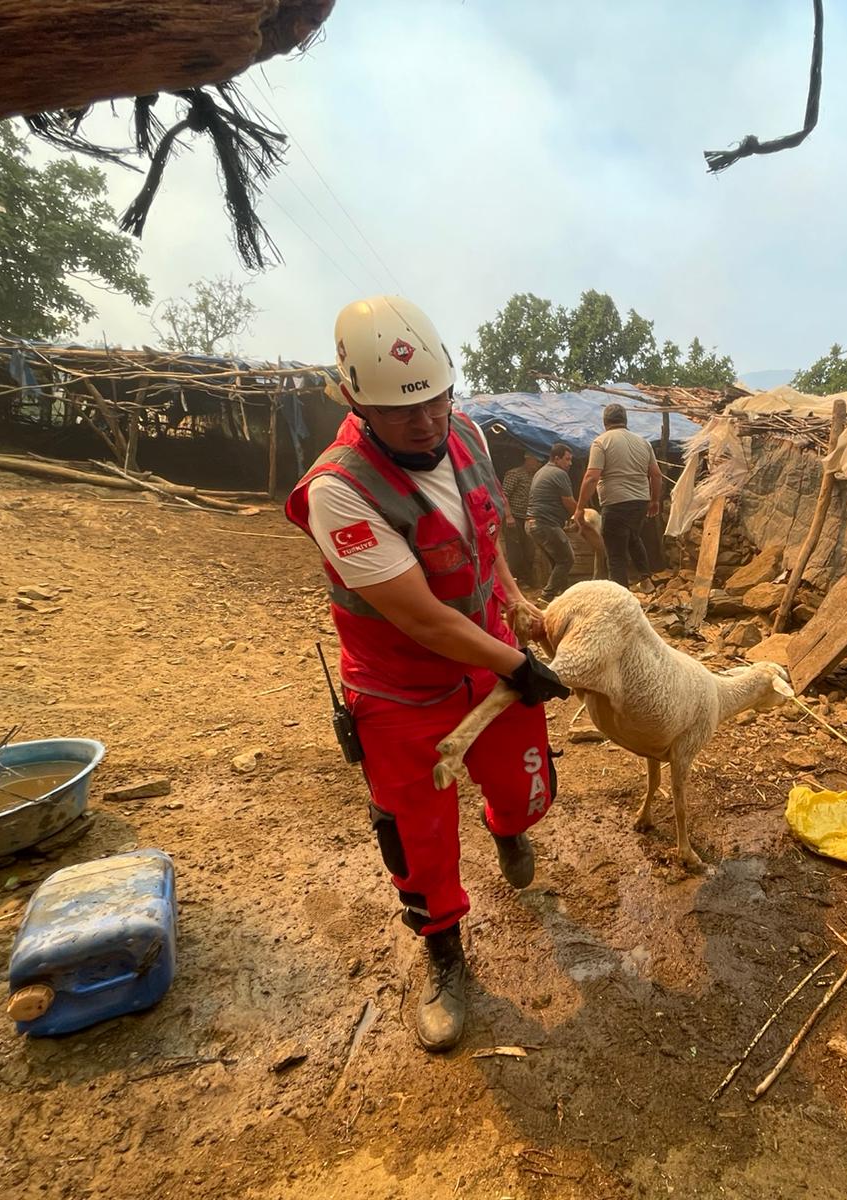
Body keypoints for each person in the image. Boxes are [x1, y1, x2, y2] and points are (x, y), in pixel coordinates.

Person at [284, 296, 570, 1053]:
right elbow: (420, 618)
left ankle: (508, 827)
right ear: (354, 401)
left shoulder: (467, 433)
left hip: (490, 655)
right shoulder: (338, 491)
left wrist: (512, 600)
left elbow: (483, 536)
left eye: (435, 399)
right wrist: (520, 665)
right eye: (398, 409)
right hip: (402, 688)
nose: (425, 421)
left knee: (527, 785)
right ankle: (443, 950)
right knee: (418, 835)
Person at [576, 402, 661, 589]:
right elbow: (656, 475)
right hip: (640, 502)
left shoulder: (601, 442)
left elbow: (591, 477)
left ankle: (620, 594)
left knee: (615, 554)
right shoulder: (643, 443)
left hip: (616, 503)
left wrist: (580, 507)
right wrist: (655, 500)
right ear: (625, 420)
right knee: (632, 536)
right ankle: (645, 577)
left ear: (605, 422)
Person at [527, 443, 577, 601]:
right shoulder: (559, 473)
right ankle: (547, 596)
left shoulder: (541, 471)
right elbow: (568, 502)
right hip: (545, 524)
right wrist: (580, 516)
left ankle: (565, 595)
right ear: (556, 458)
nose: (570, 463)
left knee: (558, 561)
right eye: (567, 459)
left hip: (532, 524)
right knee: (566, 560)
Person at [500, 451, 540, 588]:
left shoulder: (535, 476)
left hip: (527, 518)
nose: (538, 465)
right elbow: (503, 496)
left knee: (529, 551)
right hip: (514, 518)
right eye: (536, 461)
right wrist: (508, 516)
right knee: (515, 552)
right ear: (528, 459)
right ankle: (517, 581)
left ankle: (527, 579)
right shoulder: (514, 474)